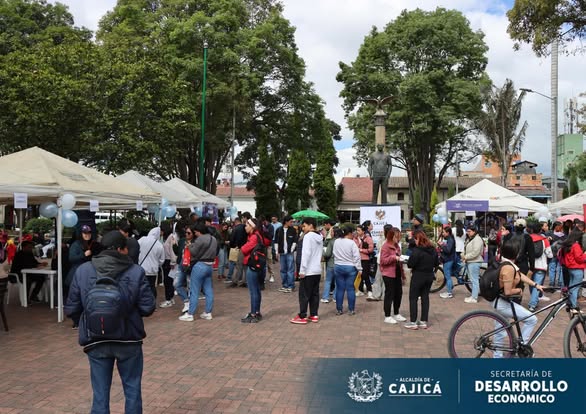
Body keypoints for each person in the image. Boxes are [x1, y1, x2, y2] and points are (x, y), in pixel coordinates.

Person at [64, 230, 156, 413]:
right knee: (132, 388)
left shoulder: (84, 270)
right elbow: (147, 307)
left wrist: (89, 318)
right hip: (129, 338)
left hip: (96, 338)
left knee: (100, 393)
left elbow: (71, 308)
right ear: (121, 249)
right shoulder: (136, 271)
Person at [492, 238, 542, 358]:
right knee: (531, 319)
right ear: (516, 253)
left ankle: (497, 357)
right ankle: (521, 348)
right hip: (502, 303)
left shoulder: (506, 263)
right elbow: (508, 291)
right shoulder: (508, 268)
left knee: (500, 330)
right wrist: (519, 290)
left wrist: (535, 285)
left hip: (498, 300)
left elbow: (520, 275)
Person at [179, 223, 217, 322]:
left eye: (195, 232)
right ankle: (208, 312)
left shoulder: (200, 239)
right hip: (210, 266)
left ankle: (190, 314)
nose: (195, 234)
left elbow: (194, 252)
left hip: (200, 266)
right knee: (208, 289)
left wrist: (189, 246)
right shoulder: (213, 239)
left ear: (199, 231)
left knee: (194, 290)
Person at [290, 218, 323, 324]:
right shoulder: (320, 236)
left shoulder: (308, 237)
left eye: (304, 226)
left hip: (308, 270)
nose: (303, 228)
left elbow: (306, 254)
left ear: (311, 225)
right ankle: (314, 314)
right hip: (317, 270)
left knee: (304, 294)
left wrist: (302, 270)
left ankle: (302, 315)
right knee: (314, 294)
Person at [404, 230, 438, 330]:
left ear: (418, 239)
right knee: (425, 297)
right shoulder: (432, 249)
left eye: (415, 239)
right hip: (429, 275)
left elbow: (410, 264)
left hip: (418, 275)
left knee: (413, 298)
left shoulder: (417, 250)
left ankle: (413, 321)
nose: (414, 241)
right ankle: (423, 321)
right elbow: (436, 263)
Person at [240, 218, 270, 323]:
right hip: (259, 266)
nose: (245, 227)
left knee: (253, 291)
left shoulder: (254, 237)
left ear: (252, 226)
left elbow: (244, 249)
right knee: (257, 290)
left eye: (247, 225)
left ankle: (253, 314)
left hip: (252, 265)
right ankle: (257, 312)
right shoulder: (259, 235)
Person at [379, 226, 406, 324]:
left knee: (398, 293)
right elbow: (383, 261)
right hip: (388, 273)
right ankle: (387, 316)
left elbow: (399, 258)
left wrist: (403, 273)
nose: (398, 239)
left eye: (399, 237)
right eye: (396, 237)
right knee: (389, 294)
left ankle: (396, 313)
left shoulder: (397, 246)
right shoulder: (385, 246)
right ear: (391, 236)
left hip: (397, 272)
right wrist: (394, 257)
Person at [333, 225, 362, 315]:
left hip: (338, 266)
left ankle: (339, 309)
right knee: (350, 289)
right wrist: (359, 268)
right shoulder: (351, 243)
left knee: (340, 289)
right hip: (350, 267)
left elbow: (334, 253)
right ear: (349, 233)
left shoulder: (336, 241)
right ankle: (351, 309)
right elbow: (357, 257)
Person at [66, 225, 102, 291]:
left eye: (89, 233)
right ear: (81, 234)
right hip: (77, 274)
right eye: (85, 233)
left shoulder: (93, 244)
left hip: (88, 274)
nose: (87, 234)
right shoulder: (76, 244)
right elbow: (71, 258)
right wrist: (84, 254)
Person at [527, 222, 553, 312]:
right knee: (537, 285)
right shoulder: (544, 240)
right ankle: (532, 304)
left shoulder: (527, 238)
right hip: (541, 266)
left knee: (531, 284)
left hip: (529, 265)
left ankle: (534, 300)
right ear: (540, 230)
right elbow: (549, 254)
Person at [558, 229, 586, 309]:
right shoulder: (575, 245)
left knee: (571, 287)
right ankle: (573, 305)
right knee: (575, 288)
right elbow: (579, 258)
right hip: (577, 268)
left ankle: (570, 302)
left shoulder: (567, 245)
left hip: (570, 268)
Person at [138, 227, 165, 299]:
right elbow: (162, 260)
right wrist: (156, 264)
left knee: (141, 286)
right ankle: (152, 302)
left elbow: (136, 249)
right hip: (153, 271)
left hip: (141, 268)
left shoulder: (142, 239)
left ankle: (142, 301)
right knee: (151, 287)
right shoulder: (159, 245)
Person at [275, 215, 298, 293]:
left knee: (290, 270)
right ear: (286, 222)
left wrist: (291, 249)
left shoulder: (293, 230)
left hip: (289, 253)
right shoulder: (279, 230)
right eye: (290, 222)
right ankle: (285, 285)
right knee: (283, 270)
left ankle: (291, 286)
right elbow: (276, 242)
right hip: (282, 252)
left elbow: (295, 240)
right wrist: (276, 251)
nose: (292, 223)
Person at [462, 225, 484, 304]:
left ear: (474, 231)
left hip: (475, 262)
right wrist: (463, 255)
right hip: (470, 261)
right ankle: (473, 296)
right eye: (467, 231)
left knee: (474, 280)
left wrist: (466, 257)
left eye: (469, 231)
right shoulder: (471, 239)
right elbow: (466, 249)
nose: (468, 233)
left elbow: (475, 252)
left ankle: (474, 297)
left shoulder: (477, 239)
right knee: (472, 280)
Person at [159, 226, 178, 308]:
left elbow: (173, 250)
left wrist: (173, 262)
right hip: (167, 261)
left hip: (169, 261)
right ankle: (170, 298)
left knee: (168, 281)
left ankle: (168, 300)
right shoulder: (168, 237)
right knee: (168, 281)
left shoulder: (171, 237)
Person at [354, 225, 374, 299]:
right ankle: (360, 290)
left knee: (365, 275)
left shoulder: (368, 238)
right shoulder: (355, 238)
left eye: (359, 230)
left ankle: (369, 290)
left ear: (363, 231)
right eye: (357, 230)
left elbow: (371, 249)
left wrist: (361, 250)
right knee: (359, 275)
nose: (357, 232)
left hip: (365, 259)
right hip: (357, 259)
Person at [438, 226, 457, 299]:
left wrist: (441, 245)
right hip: (447, 259)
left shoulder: (450, 240)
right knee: (447, 276)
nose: (442, 233)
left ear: (448, 233)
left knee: (448, 276)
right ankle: (449, 290)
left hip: (448, 260)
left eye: (443, 232)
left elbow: (448, 250)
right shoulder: (448, 239)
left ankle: (449, 293)